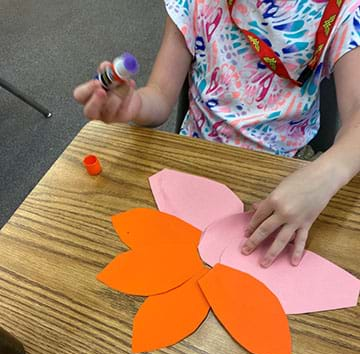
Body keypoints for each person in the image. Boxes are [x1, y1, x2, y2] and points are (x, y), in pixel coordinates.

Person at [74, 0, 360, 267]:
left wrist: (325, 175)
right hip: (195, 162)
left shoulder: (342, 9)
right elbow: (160, 96)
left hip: (284, 176)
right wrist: (135, 105)